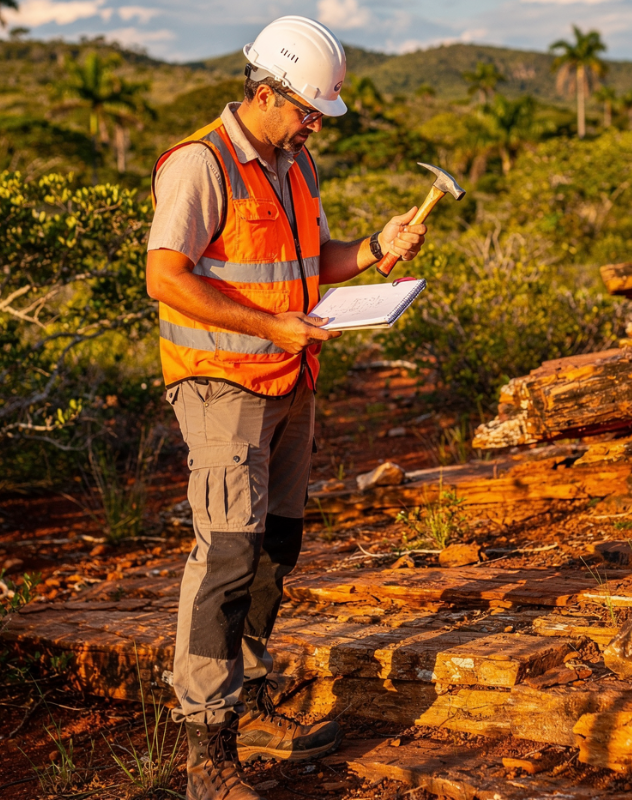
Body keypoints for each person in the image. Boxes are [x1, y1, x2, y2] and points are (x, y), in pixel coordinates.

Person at [145, 15, 427, 800]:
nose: (314, 125)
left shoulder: (293, 167)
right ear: (266, 92)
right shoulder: (200, 166)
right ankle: (208, 755)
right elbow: (166, 278)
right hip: (220, 385)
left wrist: (376, 249)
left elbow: (316, 264)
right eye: (307, 110)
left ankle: (253, 696)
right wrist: (269, 324)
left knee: (277, 547)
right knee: (227, 557)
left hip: (290, 379)